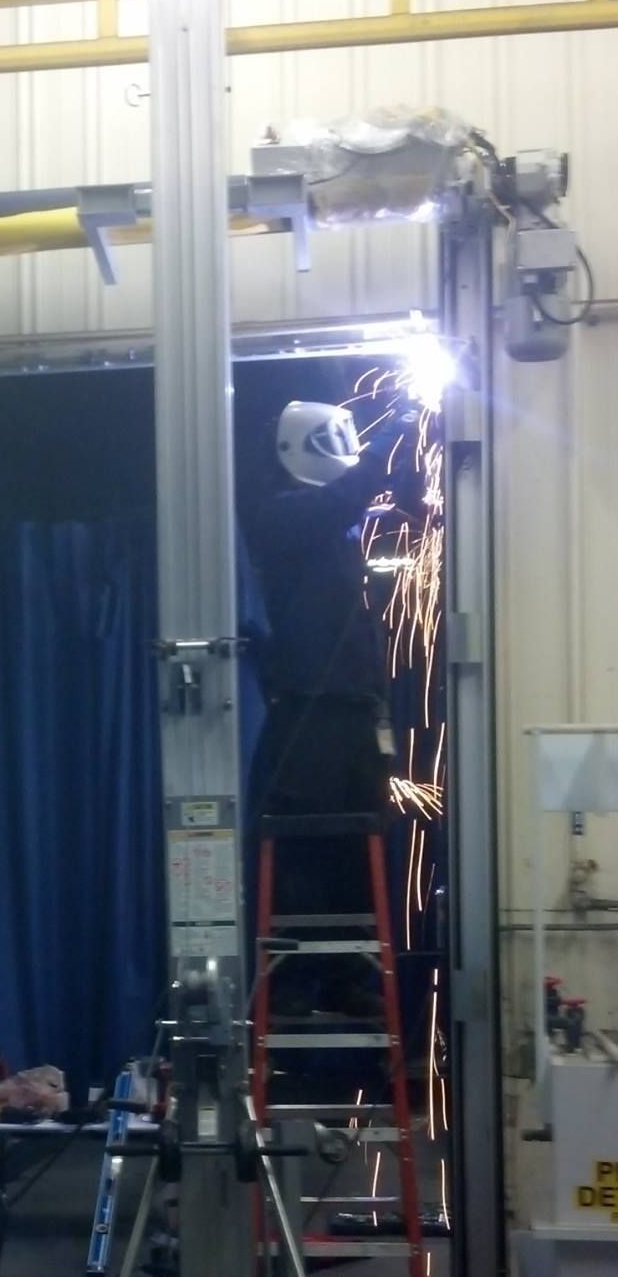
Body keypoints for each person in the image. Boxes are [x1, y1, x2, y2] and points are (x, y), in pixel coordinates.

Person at [246, 399, 399, 1016]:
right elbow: (342, 498)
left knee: (357, 846)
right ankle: (293, 984)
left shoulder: (332, 525)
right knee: (307, 852)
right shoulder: (280, 516)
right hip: (307, 716)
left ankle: (346, 977)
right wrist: (393, 432)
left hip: (353, 712)